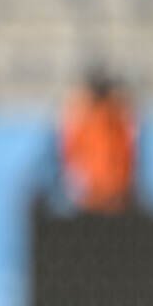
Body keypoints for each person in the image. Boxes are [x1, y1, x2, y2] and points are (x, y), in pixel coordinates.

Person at [59, 70, 137, 215]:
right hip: (94, 196)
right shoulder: (84, 119)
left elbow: (127, 155)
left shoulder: (116, 118)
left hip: (113, 196)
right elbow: (71, 157)